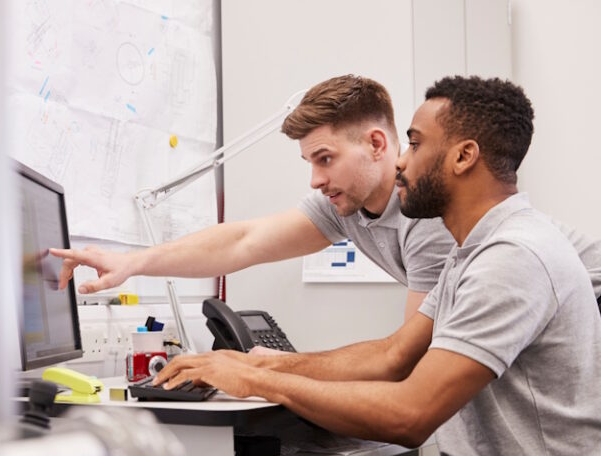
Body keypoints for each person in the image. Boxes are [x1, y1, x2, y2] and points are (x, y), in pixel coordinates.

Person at [154, 76, 601, 456]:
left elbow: (409, 416)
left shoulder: (512, 258)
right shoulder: (472, 251)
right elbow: (391, 356)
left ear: (464, 156)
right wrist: (270, 367)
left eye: (414, 143)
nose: (401, 160)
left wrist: (257, 380)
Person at [51, 74, 601, 325]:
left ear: (376, 144)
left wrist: (270, 374)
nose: (316, 180)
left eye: (324, 158)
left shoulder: (429, 215)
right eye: (310, 163)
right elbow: (243, 242)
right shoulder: (349, 204)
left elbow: (406, 358)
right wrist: (133, 262)